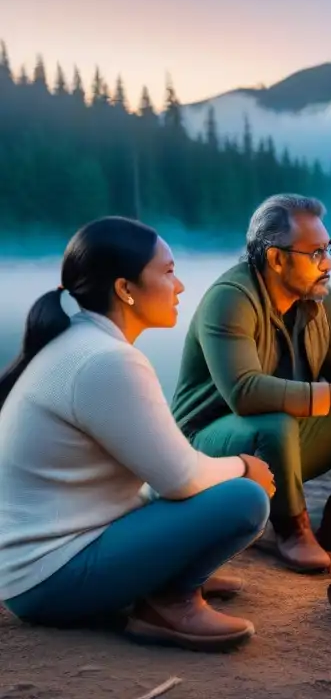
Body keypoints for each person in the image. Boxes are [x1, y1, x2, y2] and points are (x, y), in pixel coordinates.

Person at [0, 217, 276, 652]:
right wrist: (244, 466)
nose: (180, 285)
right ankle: (169, 602)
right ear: (126, 289)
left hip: (35, 569)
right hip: (52, 580)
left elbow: (157, 467)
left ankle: (169, 572)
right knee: (245, 498)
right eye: (167, 272)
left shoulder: (79, 343)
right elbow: (180, 478)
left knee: (203, 488)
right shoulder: (105, 361)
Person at [171, 194, 331, 575]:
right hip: (206, 451)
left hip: (278, 444)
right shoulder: (230, 299)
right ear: (276, 258)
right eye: (315, 253)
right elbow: (244, 394)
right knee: (276, 418)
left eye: (329, 249)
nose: (328, 263)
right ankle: (292, 528)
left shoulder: (320, 300)